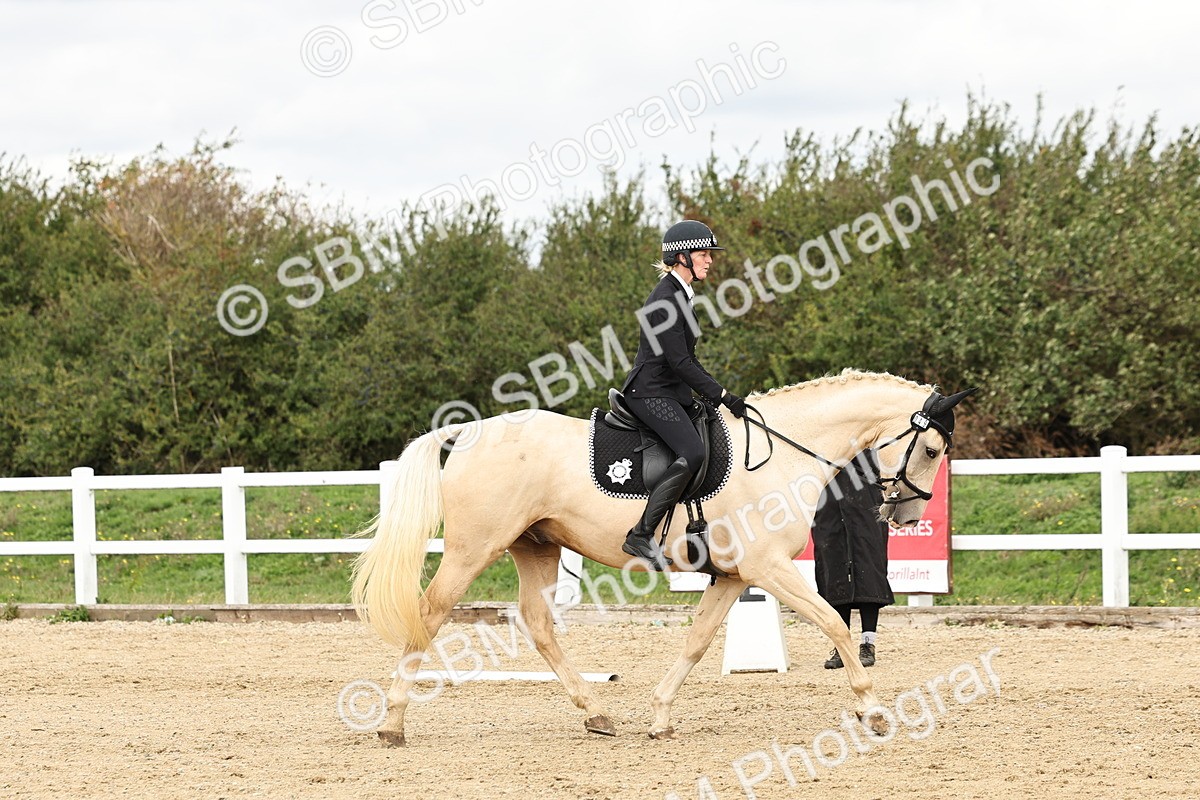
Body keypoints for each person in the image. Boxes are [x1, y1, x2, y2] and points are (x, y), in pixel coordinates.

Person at [619, 220, 747, 571]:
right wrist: (722, 394)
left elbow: (688, 360)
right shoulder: (665, 299)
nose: (710, 261)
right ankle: (641, 534)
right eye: (704, 254)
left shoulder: (678, 295)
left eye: (709, 254)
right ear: (682, 257)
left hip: (669, 390)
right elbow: (678, 362)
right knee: (692, 451)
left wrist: (710, 394)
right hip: (650, 392)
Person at [811, 450, 895, 668]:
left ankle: (868, 644)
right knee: (834, 570)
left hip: (866, 503)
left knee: (869, 568)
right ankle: (841, 646)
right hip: (828, 504)